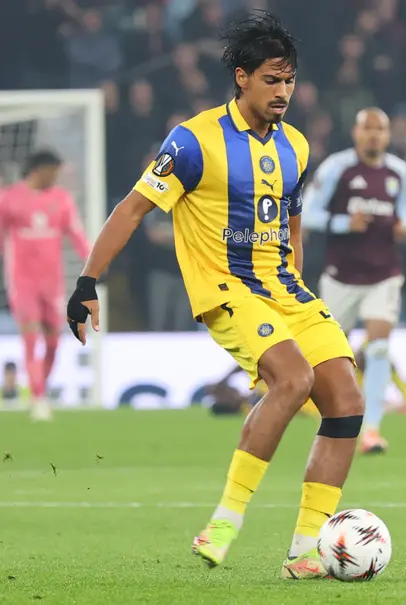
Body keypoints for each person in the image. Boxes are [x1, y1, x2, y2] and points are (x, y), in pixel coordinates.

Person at [65, 12, 363, 579]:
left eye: (289, 80)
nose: (283, 91)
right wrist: (86, 282)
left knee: (347, 401)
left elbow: (292, 226)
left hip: (286, 291)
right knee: (293, 380)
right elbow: (132, 209)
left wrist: (296, 290)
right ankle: (224, 522)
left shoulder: (297, 146)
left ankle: (304, 551)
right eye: (271, 80)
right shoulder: (193, 140)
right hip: (226, 288)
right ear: (242, 78)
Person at [301, 107, 406, 454]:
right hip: (342, 277)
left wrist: (403, 226)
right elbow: (308, 212)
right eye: (368, 128)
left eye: (380, 129)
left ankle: (372, 431)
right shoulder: (337, 168)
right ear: (356, 133)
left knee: (378, 348)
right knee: (332, 355)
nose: (374, 135)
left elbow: (405, 210)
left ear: (387, 136)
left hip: (384, 274)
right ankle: (334, 422)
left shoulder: (398, 171)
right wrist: (343, 223)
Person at [0, 151, 90, 421]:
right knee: (30, 339)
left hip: (52, 284)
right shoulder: (10, 198)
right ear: (38, 170)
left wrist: (92, 264)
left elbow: (76, 234)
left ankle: (39, 391)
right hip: (22, 283)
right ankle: (38, 398)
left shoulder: (61, 199)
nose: (55, 177)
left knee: (53, 343)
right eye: (53, 171)